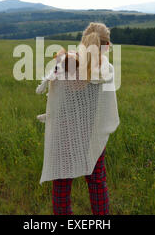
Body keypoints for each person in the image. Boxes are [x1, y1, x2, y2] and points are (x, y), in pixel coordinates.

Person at [36, 22, 120, 215]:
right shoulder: (107, 69)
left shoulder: (69, 63)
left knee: (62, 180)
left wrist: (65, 54)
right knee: (97, 181)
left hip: (64, 131)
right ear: (106, 46)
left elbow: (59, 58)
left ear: (83, 41)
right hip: (93, 132)